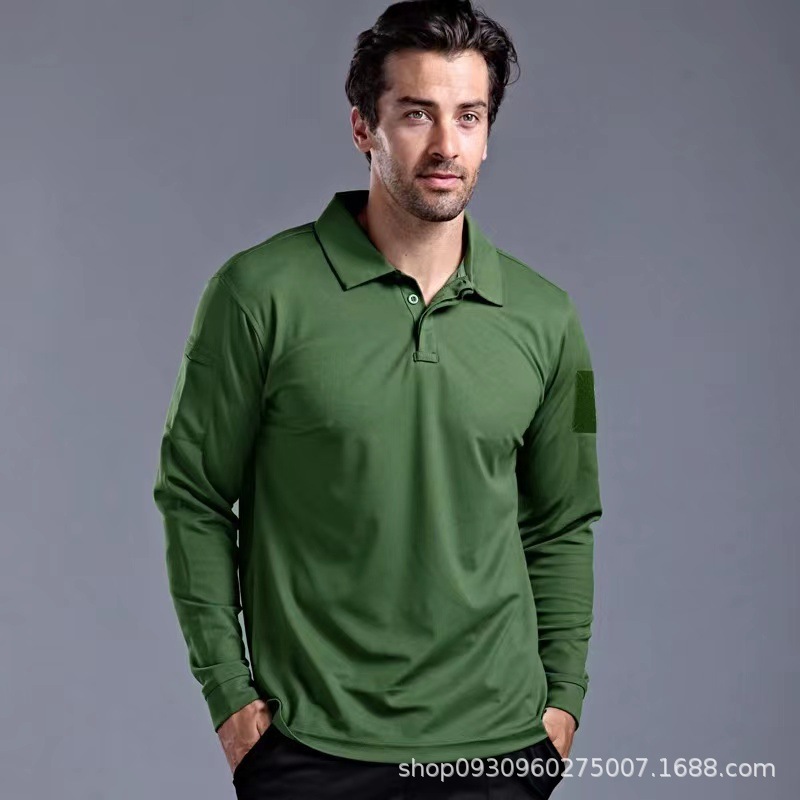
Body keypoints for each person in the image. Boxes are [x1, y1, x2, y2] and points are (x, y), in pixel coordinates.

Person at [152, 1, 602, 797]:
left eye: (469, 116)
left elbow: (564, 520)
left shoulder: (548, 317)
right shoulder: (257, 294)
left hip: (500, 748)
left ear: (488, 133)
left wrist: (562, 700)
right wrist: (231, 699)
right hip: (310, 748)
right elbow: (193, 496)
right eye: (417, 114)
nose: (446, 145)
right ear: (364, 127)